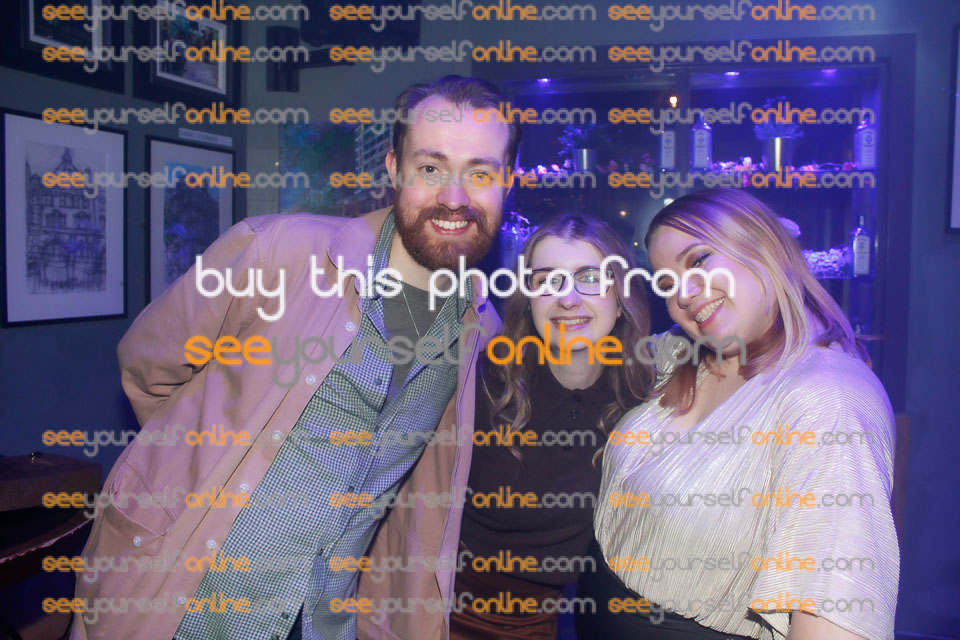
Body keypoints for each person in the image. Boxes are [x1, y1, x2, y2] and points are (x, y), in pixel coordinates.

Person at [70, 75, 522, 640]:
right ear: (393, 169)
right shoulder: (273, 252)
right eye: (430, 168)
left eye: (479, 173)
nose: (454, 198)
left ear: (507, 182)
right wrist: (196, 474)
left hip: (322, 622)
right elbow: (148, 369)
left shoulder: (480, 330)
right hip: (179, 607)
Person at [578, 189, 899, 640]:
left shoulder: (829, 402)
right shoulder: (687, 356)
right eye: (666, 284)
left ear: (765, 247)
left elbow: (836, 618)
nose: (683, 294)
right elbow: (587, 356)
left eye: (699, 260)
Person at [450, 215, 654, 638]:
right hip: (443, 612)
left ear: (621, 299)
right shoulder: (478, 385)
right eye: (546, 280)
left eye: (590, 279)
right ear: (528, 300)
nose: (568, 298)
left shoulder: (649, 398)